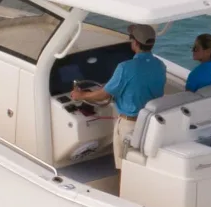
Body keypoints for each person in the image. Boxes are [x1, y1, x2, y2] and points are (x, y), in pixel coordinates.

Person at [63, 21, 166, 161]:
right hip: (149, 123)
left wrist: (81, 95)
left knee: (125, 164)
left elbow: (103, 95)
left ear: (135, 43)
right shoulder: (160, 65)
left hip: (130, 125)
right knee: (139, 162)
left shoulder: (125, 67)